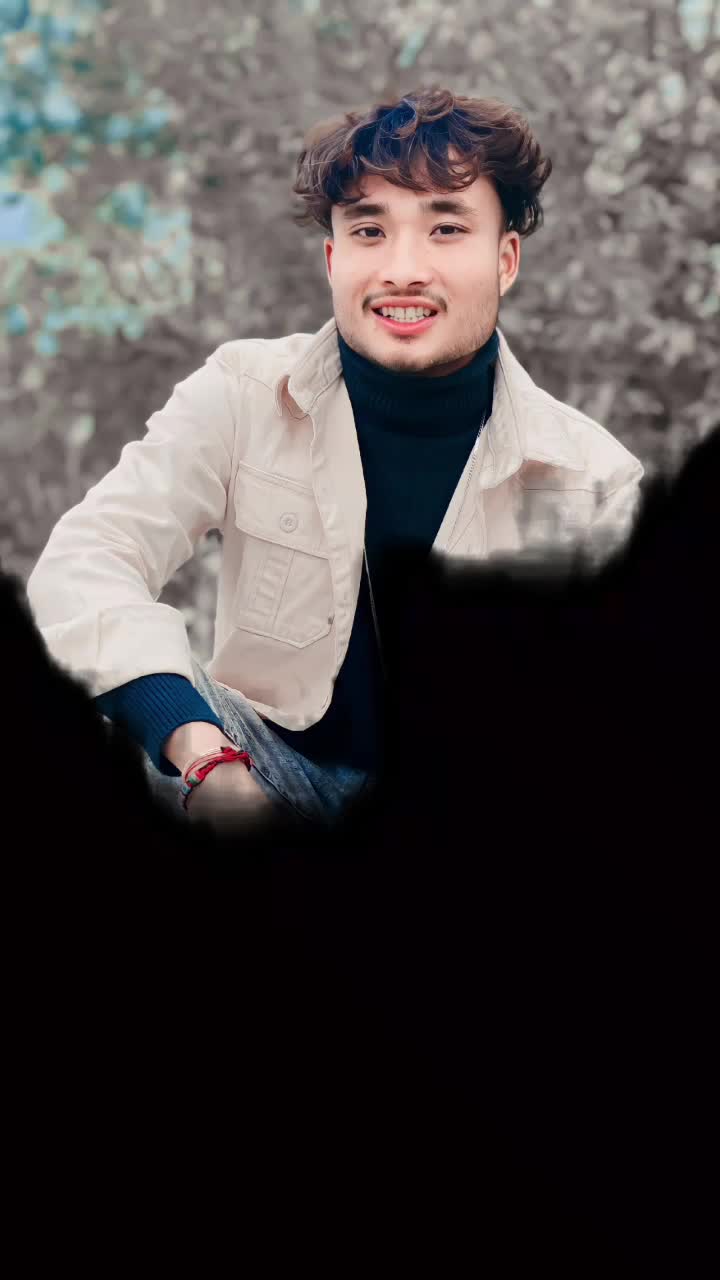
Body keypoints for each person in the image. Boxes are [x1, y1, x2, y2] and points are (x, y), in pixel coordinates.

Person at [25, 85, 644, 831]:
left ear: (505, 259)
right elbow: (88, 559)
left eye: (446, 229)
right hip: (256, 767)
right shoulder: (243, 392)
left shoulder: (592, 483)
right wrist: (202, 755)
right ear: (332, 258)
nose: (403, 270)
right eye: (370, 231)